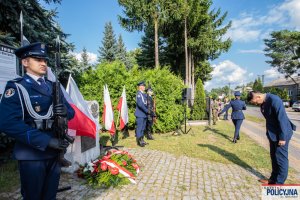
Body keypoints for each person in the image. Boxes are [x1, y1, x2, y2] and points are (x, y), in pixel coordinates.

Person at [0, 42, 75, 200]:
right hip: (32, 154)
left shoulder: (52, 86)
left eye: (45, 60)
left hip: (54, 152)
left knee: (49, 196)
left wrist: (65, 111)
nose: (43, 63)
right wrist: (46, 141)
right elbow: (7, 123)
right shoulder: (17, 87)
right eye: (37, 59)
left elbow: (71, 112)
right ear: (25, 62)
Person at [247, 91, 296, 184]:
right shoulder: (263, 102)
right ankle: (273, 179)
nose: (255, 104)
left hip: (281, 134)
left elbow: (281, 119)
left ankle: (279, 183)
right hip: (272, 134)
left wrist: (282, 137)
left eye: (255, 102)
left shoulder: (274, 100)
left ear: (258, 97)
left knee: (281, 159)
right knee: (274, 157)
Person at [134, 81, 148, 147]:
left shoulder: (144, 94)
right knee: (139, 128)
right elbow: (140, 104)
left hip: (144, 114)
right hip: (140, 114)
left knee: (143, 128)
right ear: (140, 87)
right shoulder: (139, 94)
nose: (144, 87)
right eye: (143, 86)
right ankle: (139, 141)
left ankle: (142, 140)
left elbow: (146, 103)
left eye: (144, 86)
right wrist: (147, 110)